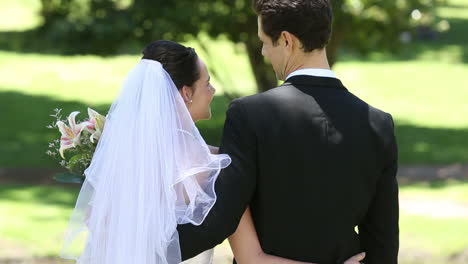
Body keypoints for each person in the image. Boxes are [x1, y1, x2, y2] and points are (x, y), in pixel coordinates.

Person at [59, 40, 364, 264]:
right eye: (207, 83)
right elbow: (253, 258)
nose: (213, 90)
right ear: (186, 94)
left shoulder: (121, 160)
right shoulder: (209, 167)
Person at [177, 1, 400, 264]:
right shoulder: (378, 124)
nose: (262, 51)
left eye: (264, 42)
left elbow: (221, 219)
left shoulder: (250, 115)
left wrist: (147, 247)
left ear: (286, 40)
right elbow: (383, 241)